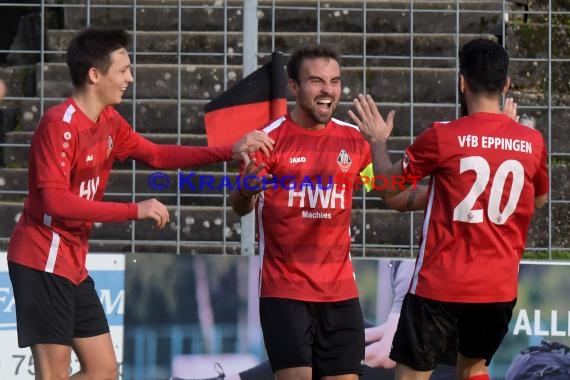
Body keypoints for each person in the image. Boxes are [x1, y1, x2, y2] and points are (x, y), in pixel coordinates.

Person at [6, 27, 274, 380]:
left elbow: (158, 154)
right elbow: (56, 202)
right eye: (123, 70)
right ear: (94, 75)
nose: (129, 78)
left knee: (102, 370)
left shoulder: (109, 122)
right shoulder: (59, 125)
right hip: (42, 260)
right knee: (53, 374)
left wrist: (230, 150)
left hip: (71, 262)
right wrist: (136, 209)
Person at [349, 38, 549, 380]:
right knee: (474, 369)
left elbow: (388, 189)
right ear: (506, 85)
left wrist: (378, 142)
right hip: (497, 289)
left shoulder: (444, 136)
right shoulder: (532, 142)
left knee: (412, 374)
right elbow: (539, 199)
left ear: (462, 82)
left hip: (439, 286)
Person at [229, 45, 425, 380]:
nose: (327, 91)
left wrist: (446, 192)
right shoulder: (268, 140)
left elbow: (391, 194)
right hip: (285, 294)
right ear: (294, 87)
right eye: (317, 81)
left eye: (334, 82)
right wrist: (246, 189)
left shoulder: (353, 141)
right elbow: (240, 207)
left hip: (341, 297)